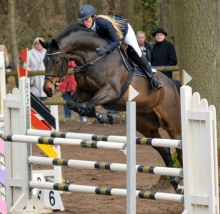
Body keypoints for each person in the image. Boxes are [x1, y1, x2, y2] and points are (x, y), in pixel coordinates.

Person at [78, 4, 162, 92]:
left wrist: (106, 49)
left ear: (93, 17)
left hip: (124, 31)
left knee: (137, 51)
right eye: (83, 20)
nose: (85, 22)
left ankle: (152, 78)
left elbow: (116, 41)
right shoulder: (87, 28)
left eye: (86, 19)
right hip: (109, 36)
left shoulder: (103, 23)